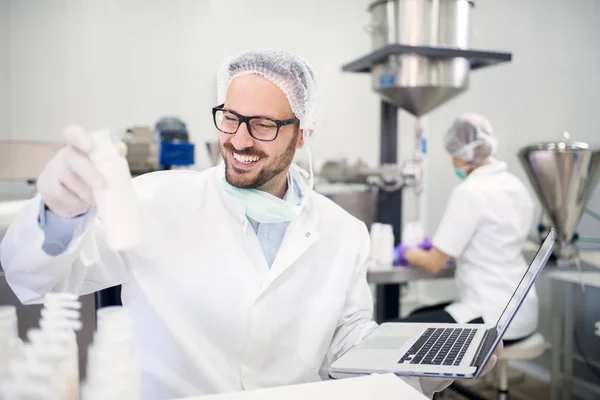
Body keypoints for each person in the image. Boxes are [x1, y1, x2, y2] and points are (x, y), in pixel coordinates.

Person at [0, 50, 498, 400]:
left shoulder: (344, 232)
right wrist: (59, 213)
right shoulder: (157, 199)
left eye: (263, 125)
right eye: (230, 118)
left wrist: (414, 361)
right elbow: (35, 281)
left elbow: (345, 340)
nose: (239, 139)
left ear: (302, 134)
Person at [394, 113, 537, 345]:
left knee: (395, 331)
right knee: (416, 317)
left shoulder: (470, 191)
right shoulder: (515, 186)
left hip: (490, 317)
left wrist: (404, 251)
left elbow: (433, 263)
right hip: (522, 312)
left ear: (460, 155)